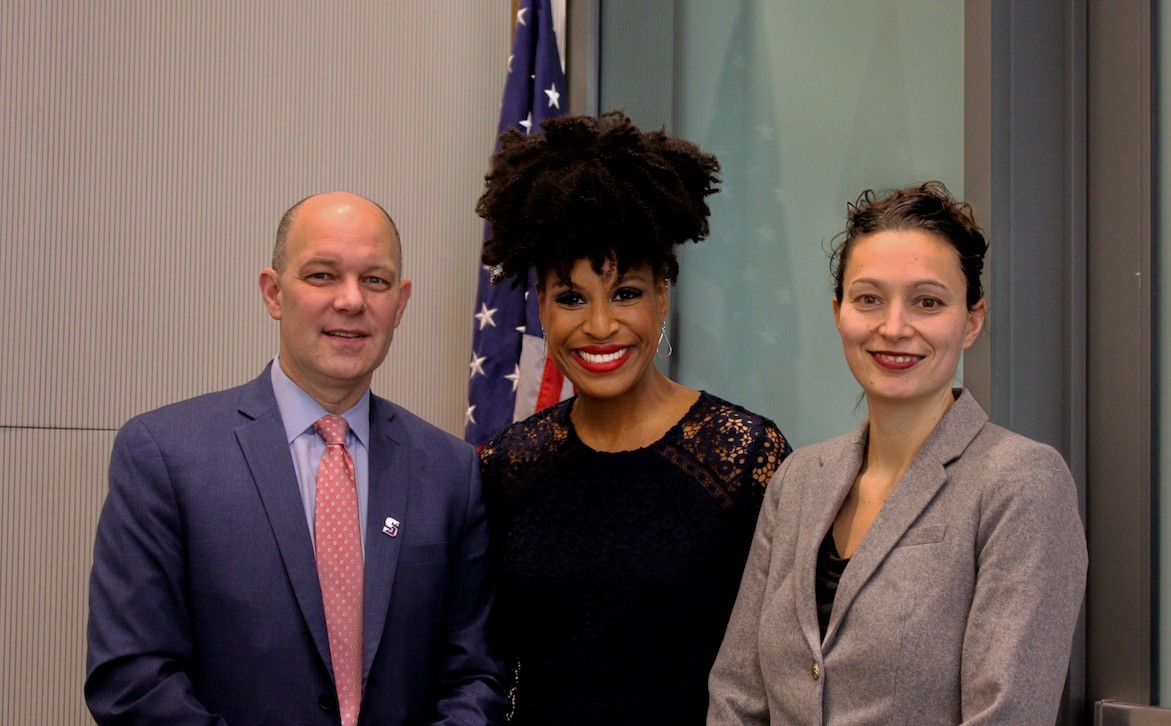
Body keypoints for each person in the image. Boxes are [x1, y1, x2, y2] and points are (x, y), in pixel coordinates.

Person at [85, 192, 505, 725]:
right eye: (323, 275)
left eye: (374, 280)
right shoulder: (164, 456)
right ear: (273, 292)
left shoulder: (451, 470)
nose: (351, 301)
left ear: (400, 303)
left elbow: (476, 675)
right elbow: (132, 680)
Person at [707, 181, 1087, 724]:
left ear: (972, 320)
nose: (893, 327)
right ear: (839, 311)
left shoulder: (1020, 481)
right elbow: (736, 695)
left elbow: (1008, 714)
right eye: (869, 299)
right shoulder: (799, 480)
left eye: (927, 302)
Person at [474, 111, 791, 725]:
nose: (599, 326)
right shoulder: (507, 465)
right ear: (540, 306)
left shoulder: (746, 456)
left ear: (663, 297)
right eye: (571, 298)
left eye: (625, 293)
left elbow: (780, 666)